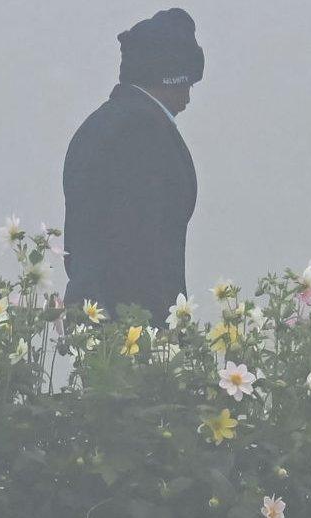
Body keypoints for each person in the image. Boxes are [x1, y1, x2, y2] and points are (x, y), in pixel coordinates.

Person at [62, 8, 204, 329]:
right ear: (168, 77)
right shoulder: (141, 133)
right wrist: (160, 337)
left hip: (101, 320)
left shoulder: (102, 124)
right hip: (133, 330)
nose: (189, 97)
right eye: (187, 84)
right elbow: (140, 247)